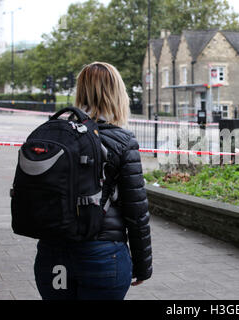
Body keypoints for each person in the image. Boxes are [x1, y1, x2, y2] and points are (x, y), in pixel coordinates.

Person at [33, 62, 152, 300]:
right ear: (117, 94)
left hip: (53, 254)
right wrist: (142, 266)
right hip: (103, 256)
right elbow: (136, 213)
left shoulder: (54, 135)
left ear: (80, 92)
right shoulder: (122, 141)